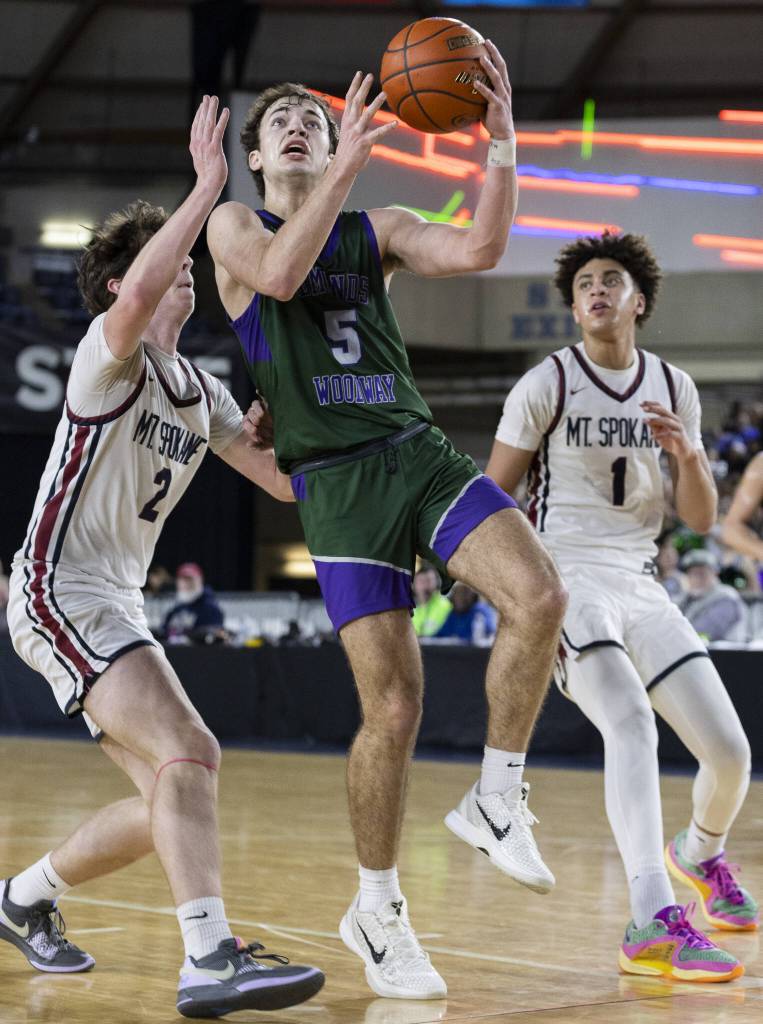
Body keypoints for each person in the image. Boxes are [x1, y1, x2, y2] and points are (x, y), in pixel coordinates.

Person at [208, 56, 567, 1000]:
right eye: (277, 118)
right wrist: (343, 173)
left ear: (333, 141)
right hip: (334, 483)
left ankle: (497, 794)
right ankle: (376, 907)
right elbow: (282, 280)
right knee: (395, 709)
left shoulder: (380, 230)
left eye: (311, 118)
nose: (294, 123)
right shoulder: (233, 225)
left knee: (539, 596)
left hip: (416, 450)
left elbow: (483, 251)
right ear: (253, 155)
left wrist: (501, 146)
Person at [2, 97, 323, 1018]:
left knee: (171, 797)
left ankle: (22, 898)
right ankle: (211, 958)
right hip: (57, 590)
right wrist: (207, 186)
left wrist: (340, 450)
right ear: (121, 289)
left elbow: (280, 483)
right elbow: (138, 292)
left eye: (188, 267)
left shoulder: (200, 390)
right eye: (170, 265)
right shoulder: (106, 359)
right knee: (194, 747)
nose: (182, 276)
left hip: (115, 603)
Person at [486, 231, 756, 983]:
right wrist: (509, 586)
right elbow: (492, 492)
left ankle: (697, 853)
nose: (596, 292)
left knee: (730, 755)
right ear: (574, 308)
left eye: (610, 281)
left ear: (639, 301)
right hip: (565, 580)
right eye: (584, 287)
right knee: (629, 724)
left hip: (640, 583)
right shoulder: (546, 382)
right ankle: (649, 917)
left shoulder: (673, 386)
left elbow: (700, 520)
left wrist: (689, 458)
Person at [678, 549, 746, 642]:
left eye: (702, 573)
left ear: (715, 573)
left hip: (725, 654)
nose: (697, 578)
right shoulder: (686, 598)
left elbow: (705, 631)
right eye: (693, 573)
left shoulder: (726, 597)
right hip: (696, 652)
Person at [163, 562, 226, 643]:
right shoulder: (176, 609)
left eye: (190, 579)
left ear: (200, 580)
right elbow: (163, 631)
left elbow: (214, 635)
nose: (186, 584)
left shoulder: (211, 609)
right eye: (182, 580)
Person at [411, 565, 451, 638]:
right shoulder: (408, 609)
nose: (425, 586)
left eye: (428, 581)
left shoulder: (445, 605)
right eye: (421, 582)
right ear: (413, 585)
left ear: (437, 584)